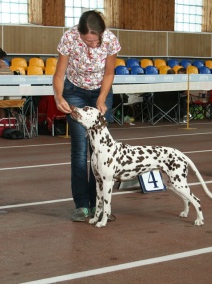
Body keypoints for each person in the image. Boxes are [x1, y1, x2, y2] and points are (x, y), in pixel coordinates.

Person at [53, 10, 121, 222]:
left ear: (101, 34)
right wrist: (58, 97)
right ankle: (82, 205)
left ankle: (99, 205)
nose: (92, 45)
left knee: (100, 151)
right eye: (87, 40)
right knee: (80, 150)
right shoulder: (69, 38)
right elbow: (59, 74)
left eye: (95, 41)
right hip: (74, 92)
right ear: (79, 34)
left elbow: (109, 73)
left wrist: (102, 98)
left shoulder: (110, 40)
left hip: (100, 92)